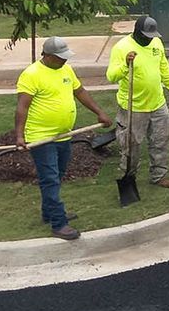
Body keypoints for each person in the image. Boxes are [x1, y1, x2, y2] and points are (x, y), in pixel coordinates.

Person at [13, 37, 112, 241]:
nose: (64, 61)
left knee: (57, 175)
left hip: (63, 135)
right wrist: (19, 135)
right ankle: (58, 223)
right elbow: (22, 107)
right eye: (60, 58)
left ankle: (48, 213)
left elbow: (80, 92)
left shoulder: (66, 70)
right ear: (47, 56)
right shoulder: (31, 74)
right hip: (41, 137)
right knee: (50, 178)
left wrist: (99, 112)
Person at [107, 16, 169, 189]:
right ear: (136, 32)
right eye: (146, 36)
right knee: (131, 144)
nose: (149, 39)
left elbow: (164, 68)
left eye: (151, 36)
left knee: (161, 140)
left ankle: (159, 175)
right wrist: (126, 64)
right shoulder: (121, 48)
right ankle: (128, 176)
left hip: (158, 103)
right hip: (133, 107)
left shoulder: (156, 43)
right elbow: (111, 76)